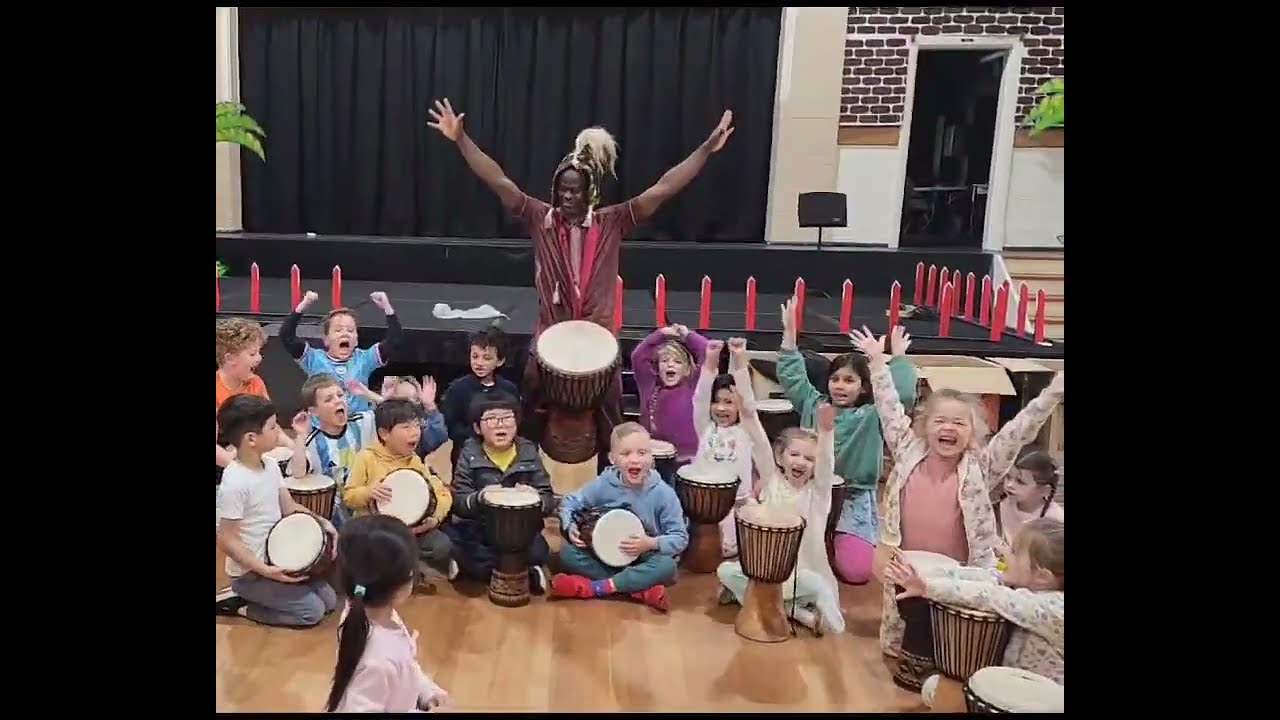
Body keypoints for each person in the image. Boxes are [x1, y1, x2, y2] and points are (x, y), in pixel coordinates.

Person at [427, 98, 735, 471]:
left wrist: (705, 149)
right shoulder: (539, 216)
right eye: (562, 190)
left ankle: (615, 481)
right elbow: (498, 180)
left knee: (611, 413)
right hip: (550, 333)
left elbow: (665, 186)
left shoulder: (613, 221)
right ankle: (523, 475)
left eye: (574, 191)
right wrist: (461, 139)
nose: (566, 197)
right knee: (531, 399)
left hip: (597, 337)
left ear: (589, 193)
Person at [856, 324, 1064, 657]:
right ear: (925, 426)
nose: (949, 428)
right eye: (941, 421)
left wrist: (1051, 395)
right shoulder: (908, 448)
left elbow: (1019, 431)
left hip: (961, 570)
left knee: (949, 642)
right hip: (905, 561)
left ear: (973, 432)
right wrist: (878, 364)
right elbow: (889, 408)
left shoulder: (982, 466)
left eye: (959, 423)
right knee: (898, 643)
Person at [773, 296, 918, 586]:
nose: (840, 385)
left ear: (864, 386)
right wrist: (789, 337)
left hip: (852, 497)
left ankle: (832, 540)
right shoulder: (815, 406)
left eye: (849, 380)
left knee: (857, 572)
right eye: (835, 378)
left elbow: (899, 396)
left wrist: (895, 358)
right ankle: (821, 540)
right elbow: (793, 378)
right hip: (808, 492)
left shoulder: (873, 414)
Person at [714, 345, 845, 637]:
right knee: (725, 571)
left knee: (818, 586)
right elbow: (752, 424)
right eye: (794, 455)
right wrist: (740, 365)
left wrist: (826, 433)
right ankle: (796, 613)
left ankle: (775, 605)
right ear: (779, 456)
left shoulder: (818, 493)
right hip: (765, 572)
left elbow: (826, 463)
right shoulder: (772, 478)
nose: (801, 462)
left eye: (808, 459)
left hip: (802, 576)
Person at [885, 516, 1064, 686]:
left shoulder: (1052, 609)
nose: (1003, 552)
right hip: (1015, 684)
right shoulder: (1026, 584)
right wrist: (926, 574)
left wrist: (928, 588)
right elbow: (983, 576)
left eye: (1014, 552)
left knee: (943, 691)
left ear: (1042, 577)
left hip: (1042, 698)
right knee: (938, 689)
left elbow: (990, 595)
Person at [215, 393, 339, 626]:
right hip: (251, 574)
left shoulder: (270, 465)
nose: (278, 431)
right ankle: (241, 605)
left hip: (277, 560)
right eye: (272, 427)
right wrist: (266, 571)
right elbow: (226, 540)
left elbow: (289, 507)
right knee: (311, 612)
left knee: (329, 602)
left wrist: (323, 523)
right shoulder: (235, 481)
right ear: (252, 438)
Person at [551, 422, 688, 612]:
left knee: (667, 567)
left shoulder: (663, 494)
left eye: (642, 453)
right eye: (625, 454)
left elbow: (680, 538)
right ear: (612, 458)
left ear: (651, 457)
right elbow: (570, 502)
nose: (635, 460)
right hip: (603, 553)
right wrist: (569, 525)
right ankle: (637, 589)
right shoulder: (605, 483)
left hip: (642, 556)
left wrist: (650, 543)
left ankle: (595, 587)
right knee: (567, 553)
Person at [325, 514, 451, 713]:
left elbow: (406, 665)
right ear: (405, 582)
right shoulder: (378, 660)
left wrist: (425, 688)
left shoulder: (363, 610)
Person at [447, 392, 556, 594]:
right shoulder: (469, 453)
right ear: (477, 428)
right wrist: (480, 498)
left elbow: (548, 499)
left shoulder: (528, 451)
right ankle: (520, 573)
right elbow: (460, 501)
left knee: (539, 551)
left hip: (521, 530)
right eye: (491, 419)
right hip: (480, 529)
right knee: (468, 550)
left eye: (507, 418)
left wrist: (535, 498)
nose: (500, 425)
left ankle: (519, 569)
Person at [343, 398, 456, 586]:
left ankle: (409, 565)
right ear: (384, 433)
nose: (415, 433)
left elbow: (442, 494)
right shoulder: (366, 457)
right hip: (376, 531)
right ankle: (400, 569)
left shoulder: (414, 461)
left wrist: (434, 519)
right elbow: (348, 496)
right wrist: (368, 492)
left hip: (411, 530)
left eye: (417, 426)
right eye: (406, 427)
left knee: (441, 545)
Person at [279, 289, 404, 415]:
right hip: (324, 426)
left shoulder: (364, 358)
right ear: (326, 340)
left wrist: (387, 308)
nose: (345, 333)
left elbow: (395, 340)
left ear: (356, 340)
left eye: (350, 330)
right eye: (338, 330)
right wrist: (304, 304)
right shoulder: (313, 358)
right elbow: (286, 336)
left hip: (358, 424)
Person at [692, 338, 756, 557]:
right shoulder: (705, 426)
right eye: (717, 401)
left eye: (729, 402)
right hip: (708, 507)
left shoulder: (747, 430)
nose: (721, 408)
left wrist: (739, 357)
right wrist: (710, 361)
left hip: (738, 504)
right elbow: (700, 398)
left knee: (731, 549)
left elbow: (746, 398)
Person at [289, 373, 378, 529]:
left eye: (340, 395)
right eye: (328, 399)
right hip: (336, 517)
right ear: (314, 411)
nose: (338, 400)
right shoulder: (313, 442)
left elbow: (396, 412)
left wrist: (367, 394)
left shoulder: (362, 423)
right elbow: (297, 473)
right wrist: (301, 436)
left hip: (369, 506)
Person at [440, 327, 519, 468]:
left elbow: (516, 422)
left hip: (503, 453)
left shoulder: (509, 389)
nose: (479, 363)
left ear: (500, 361)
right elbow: (451, 425)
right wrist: (481, 435)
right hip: (466, 455)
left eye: (487, 358)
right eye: (475, 356)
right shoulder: (458, 389)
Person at [632, 324, 709, 463]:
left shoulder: (693, 386)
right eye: (665, 361)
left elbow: (707, 351)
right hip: (654, 457)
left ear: (687, 370)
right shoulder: (649, 385)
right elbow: (638, 356)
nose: (670, 365)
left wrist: (687, 335)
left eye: (678, 361)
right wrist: (661, 334)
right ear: (657, 366)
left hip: (689, 458)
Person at [346, 375, 449, 461]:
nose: (410, 404)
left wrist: (430, 406)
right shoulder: (374, 422)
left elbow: (438, 438)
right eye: (404, 400)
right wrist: (380, 400)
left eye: (415, 399)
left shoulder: (419, 426)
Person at [216, 317, 271, 472]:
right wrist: (241, 470)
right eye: (252, 354)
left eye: (259, 352)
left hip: (250, 451)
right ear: (229, 358)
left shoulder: (256, 383)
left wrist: (294, 449)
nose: (259, 358)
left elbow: (272, 426)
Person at [994, 448, 1064, 559]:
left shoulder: (1056, 520)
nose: (1010, 484)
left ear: (1044, 490)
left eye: (1020, 481)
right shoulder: (1001, 505)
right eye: (1008, 477)